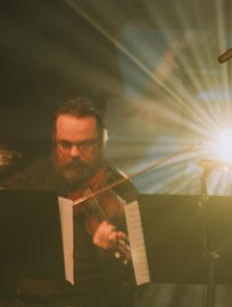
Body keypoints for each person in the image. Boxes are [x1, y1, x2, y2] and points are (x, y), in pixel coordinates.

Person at [1, 97, 137, 307]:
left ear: (100, 142)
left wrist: (106, 254)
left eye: (85, 145)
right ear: (55, 141)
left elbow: (136, 276)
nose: (74, 153)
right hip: (33, 301)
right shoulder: (36, 177)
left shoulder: (121, 189)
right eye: (65, 144)